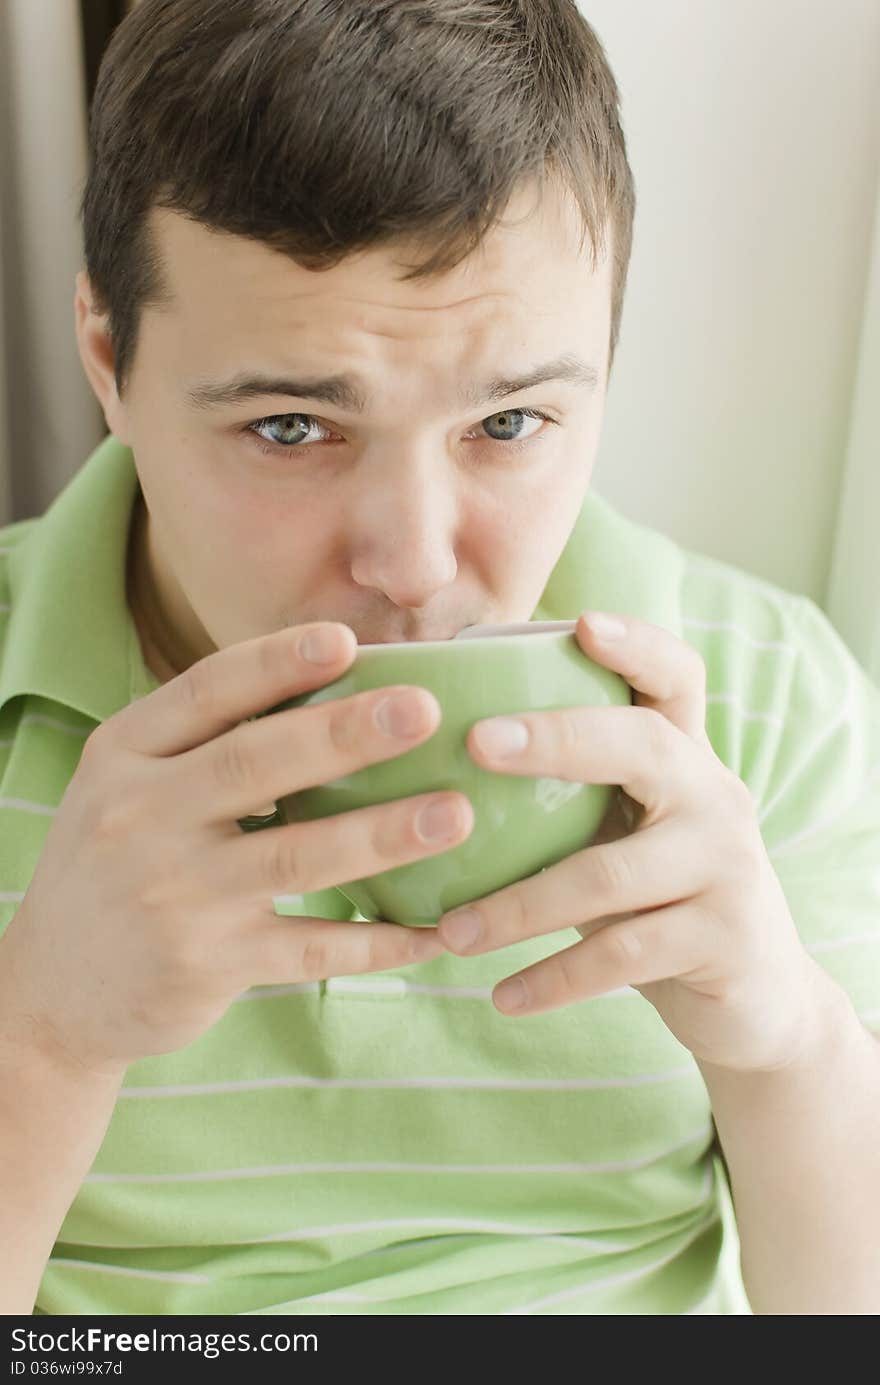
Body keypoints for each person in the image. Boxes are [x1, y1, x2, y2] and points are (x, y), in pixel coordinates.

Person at [1, 0, 878, 1318]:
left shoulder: (768, 700)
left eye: (510, 420)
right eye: (292, 427)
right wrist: (44, 1039)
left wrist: (786, 1040)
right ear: (108, 357)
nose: (412, 561)